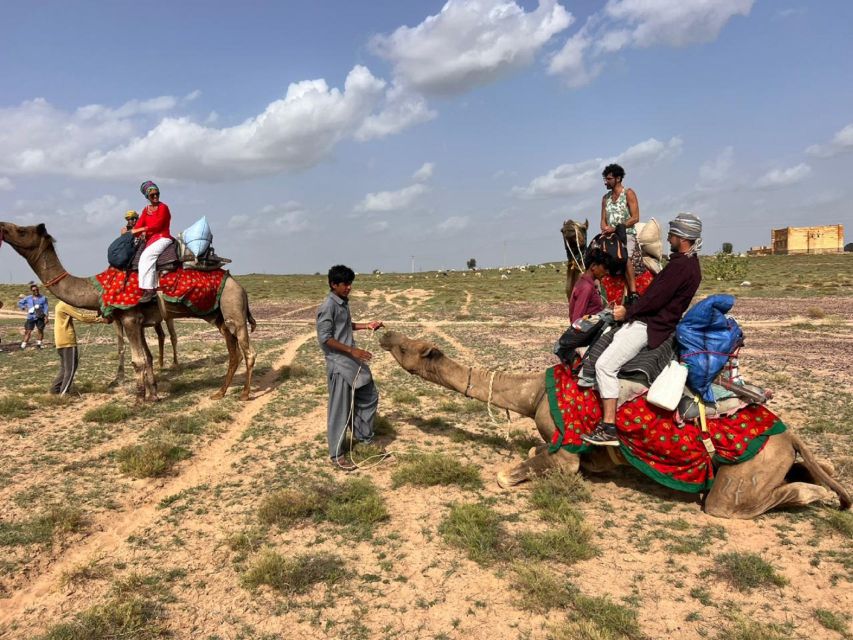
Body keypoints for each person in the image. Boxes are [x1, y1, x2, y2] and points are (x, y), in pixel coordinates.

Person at [583, 213, 703, 446]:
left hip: (647, 326)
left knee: (604, 365)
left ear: (683, 237)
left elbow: (655, 299)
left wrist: (627, 312)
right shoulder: (690, 265)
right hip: (657, 323)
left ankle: (608, 426)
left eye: (672, 233)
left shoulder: (680, 267)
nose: (668, 238)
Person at [316, 265, 384, 470]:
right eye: (345, 284)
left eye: (350, 283)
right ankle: (337, 454)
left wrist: (366, 326)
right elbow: (325, 338)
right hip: (339, 363)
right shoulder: (327, 306)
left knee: (369, 395)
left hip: (351, 362)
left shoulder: (342, 303)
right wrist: (353, 351)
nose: (349, 287)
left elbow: (345, 325)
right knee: (340, 409)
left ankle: (364, 437)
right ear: (333, 284)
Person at [51, 301, 110, 395]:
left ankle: (55, 390)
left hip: (60, 341)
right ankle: (64, 394)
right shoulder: (65, 305)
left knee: (64, 368)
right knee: (70, 369)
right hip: (67, 341)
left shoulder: (59, 305)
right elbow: (81, 316)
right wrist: (101, 320)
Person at [600, 163, 639, 303]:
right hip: (610, 235)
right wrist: (605, 229)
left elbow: (635, 217)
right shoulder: (605, 198)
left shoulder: (628, 193)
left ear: (618, 178)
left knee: (625, 256)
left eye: (608, 178)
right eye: (605, 178)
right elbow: (603, 220)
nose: (606, 181)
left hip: (626, 233)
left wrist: (616, 227)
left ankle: (633, 292)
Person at [132, 181, 172, 304]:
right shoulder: (146, 210)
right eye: (152, 195)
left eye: (157, 194)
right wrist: (136, 231)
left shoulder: (163, 207)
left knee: (146, 257)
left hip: (162, 237)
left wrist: (142, 230)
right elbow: (137, 226)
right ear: (147, 197)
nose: (155, 196)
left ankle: (149, 290)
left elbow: (157, 225)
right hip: (150, 240)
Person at [569, 248, 610, 324]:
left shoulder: (588, 284)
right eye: (605, 268)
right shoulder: (586, 287)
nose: (607, 272)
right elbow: (577, 320)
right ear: (593, 266)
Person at [17, 283, 49, 349]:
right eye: (34, 290)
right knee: (28, 331)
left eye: (37, 290)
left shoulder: (43, 298)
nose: (36, 291)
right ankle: (23, 346)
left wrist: (46, 317)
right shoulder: (28, 298)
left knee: (40, 330)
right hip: (31, 317)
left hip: (40, 316)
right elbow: (20, 303)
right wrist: (23, 307)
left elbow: (46, 308)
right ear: (32, 291)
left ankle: (39, 345)